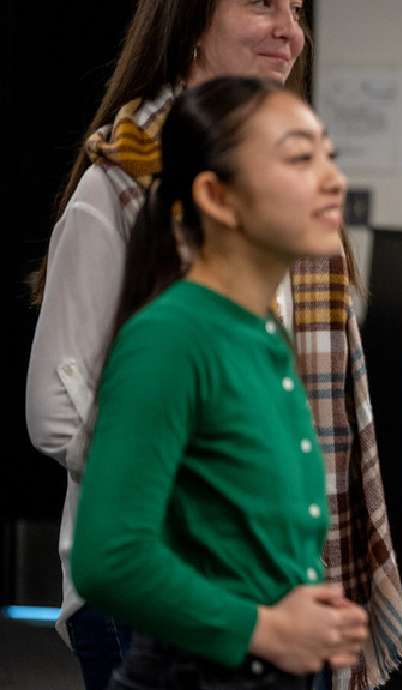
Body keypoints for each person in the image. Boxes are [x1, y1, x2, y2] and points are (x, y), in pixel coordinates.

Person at [24, 2, 402, 689]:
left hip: (285, 586)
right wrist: (200, 496)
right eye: (261, 2)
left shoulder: (258, 319)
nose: (290, 30)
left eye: (297, 8)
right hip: (175, 593)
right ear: (188, 20)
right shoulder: (123, 196)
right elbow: (59, 413)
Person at [70, 75, 365, 689]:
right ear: (219, 197)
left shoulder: (260, 330)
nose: (333, 180)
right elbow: (108, 559)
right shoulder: (172, 336)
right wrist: (264, 627)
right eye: (299, 159)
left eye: (329, 156)